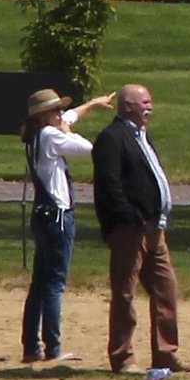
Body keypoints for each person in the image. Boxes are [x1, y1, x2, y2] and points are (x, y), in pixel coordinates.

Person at [91, 83, 190, 374]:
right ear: (128, 106)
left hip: (155, 228)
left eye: (150, 102)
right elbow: (109, 184)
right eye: (145, 103)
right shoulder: (112, 138)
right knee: (125, 293)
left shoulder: (142, 137)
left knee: (166, 289)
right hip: (130, 229)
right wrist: (130, 215)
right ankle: (122, 357)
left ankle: (166, 353)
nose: (150, 108)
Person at [20, 87, 116, 364]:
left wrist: (94, 104)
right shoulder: (51, 136)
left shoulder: (37, 136)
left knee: (39, 283)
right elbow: (89, 149)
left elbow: (71, 116)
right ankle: (53, 348)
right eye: (55, 111)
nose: (61, 114)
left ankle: (31, 347)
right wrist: (67, 129)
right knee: (54, 284)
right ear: (43, 116)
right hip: (58, 216)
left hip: (42, 214)